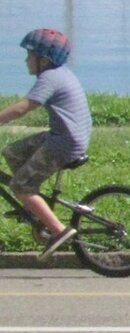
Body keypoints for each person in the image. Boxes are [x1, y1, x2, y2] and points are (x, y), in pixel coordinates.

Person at [0, 29, 93, 258]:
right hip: (63, 136)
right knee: (11, 152)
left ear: (44, 60)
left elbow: (23, 108)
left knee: (20, 186)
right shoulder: (60, 73)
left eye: (29, 55)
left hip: (64, 144)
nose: (26, 60)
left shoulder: (49, 78)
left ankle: (58, 230)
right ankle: (34, 205)